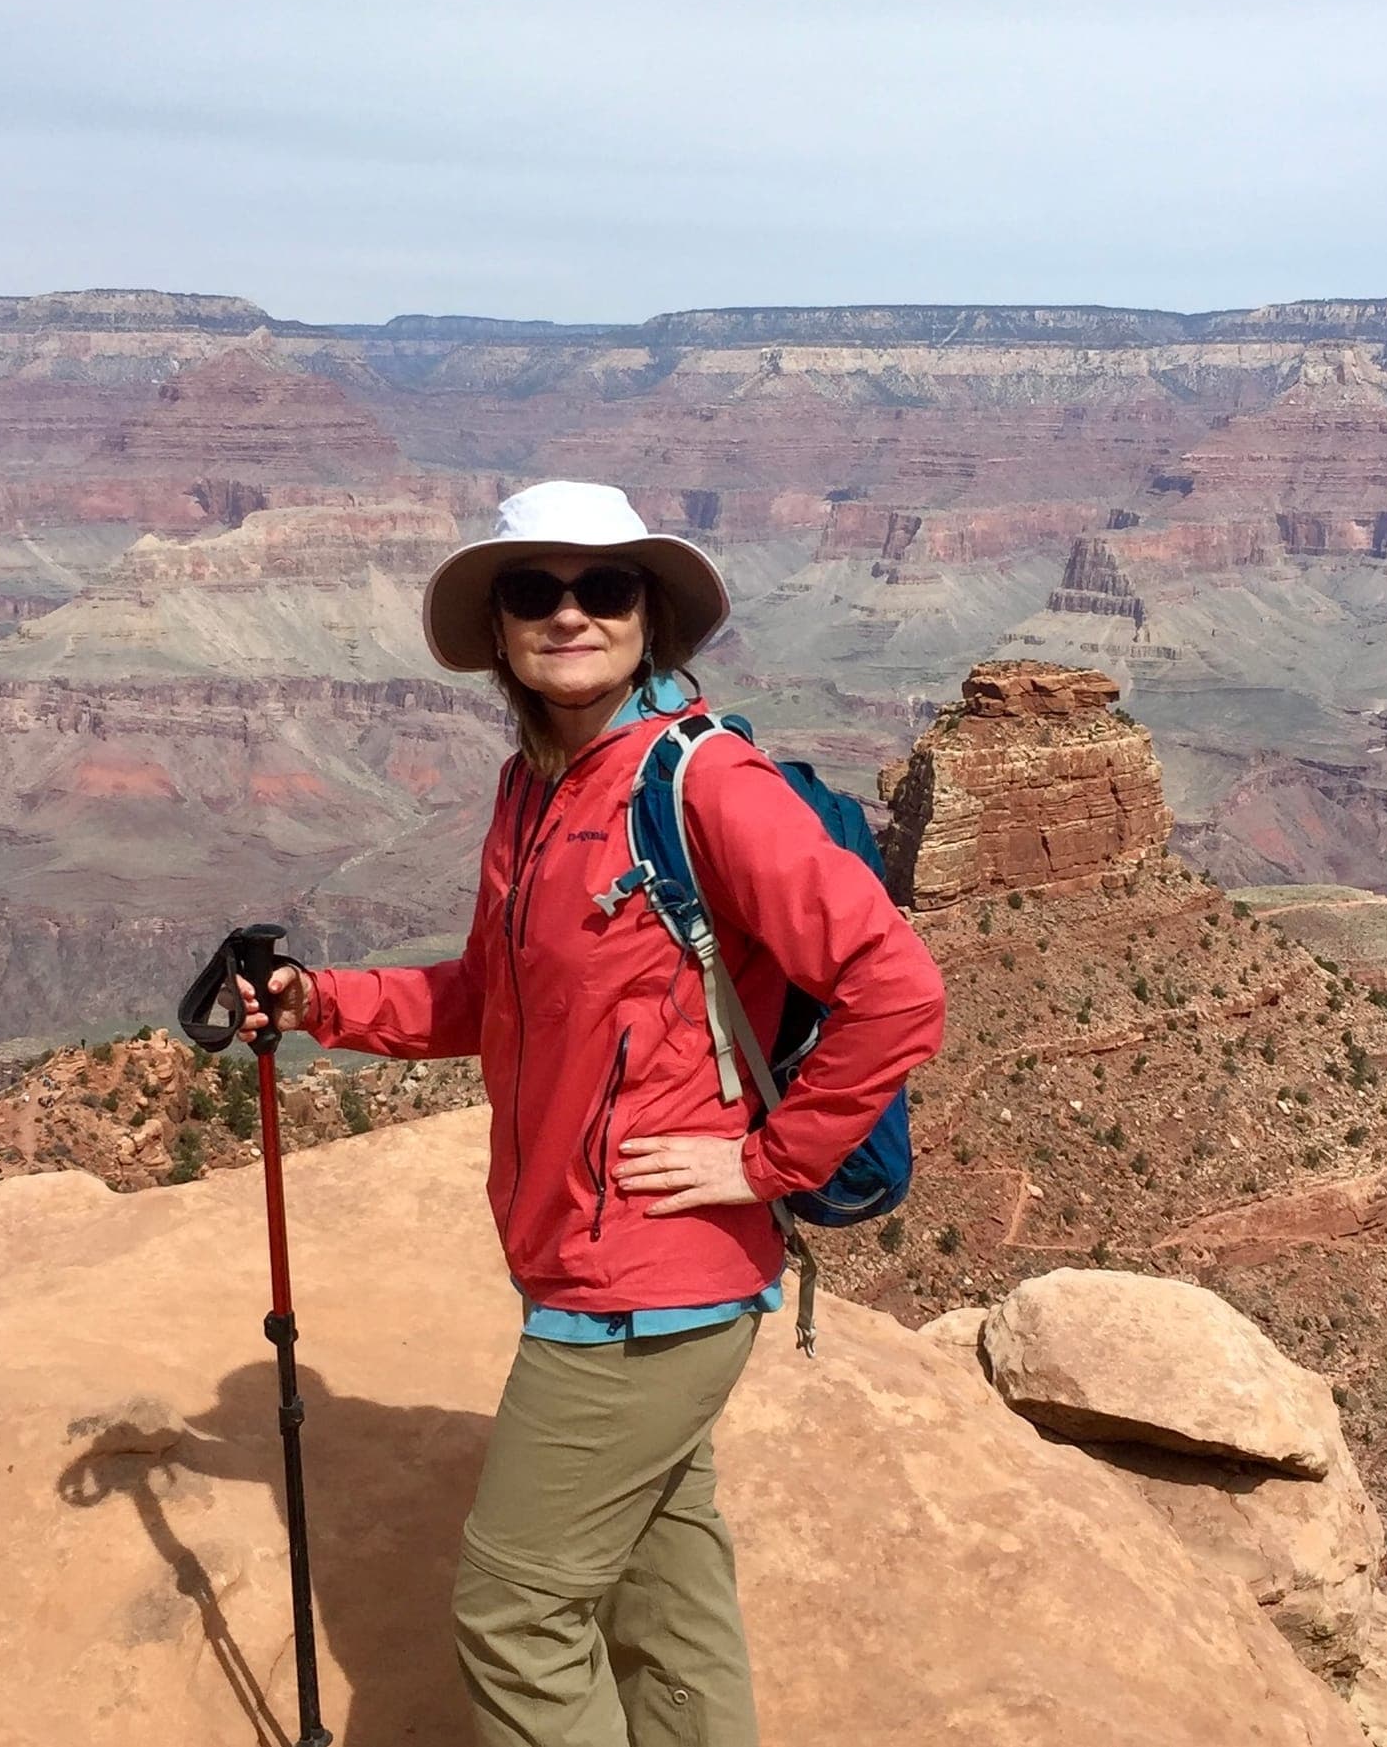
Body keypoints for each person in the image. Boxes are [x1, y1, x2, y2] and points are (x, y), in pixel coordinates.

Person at [234, 479, 946, 1746]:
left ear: (648, 615)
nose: (568, 614)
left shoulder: (705, 786)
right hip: (579, 1253)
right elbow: (494, 997)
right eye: (534, 591)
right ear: (499, 628)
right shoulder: (533, 788)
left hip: (645, 1284)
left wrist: (769, 1162)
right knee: (667, 1598)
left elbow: (894, 988)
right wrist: (319, 1001)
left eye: (602, 587)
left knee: (513, 1614)